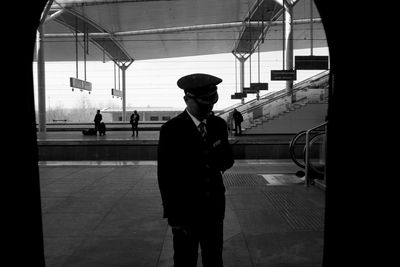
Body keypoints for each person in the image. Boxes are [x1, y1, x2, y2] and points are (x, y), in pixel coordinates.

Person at [157, 73, 234, 267]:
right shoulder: (171, 130)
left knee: (214, 259)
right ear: (187, 100)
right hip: (185, 212)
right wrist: (173, 216)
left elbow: (228, 160)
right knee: (184, 260)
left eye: (212, 103)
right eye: (203, 104)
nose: (209, 108)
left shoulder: (218, 125)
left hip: (214, 210)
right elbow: (165, 176)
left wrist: (218, 154)